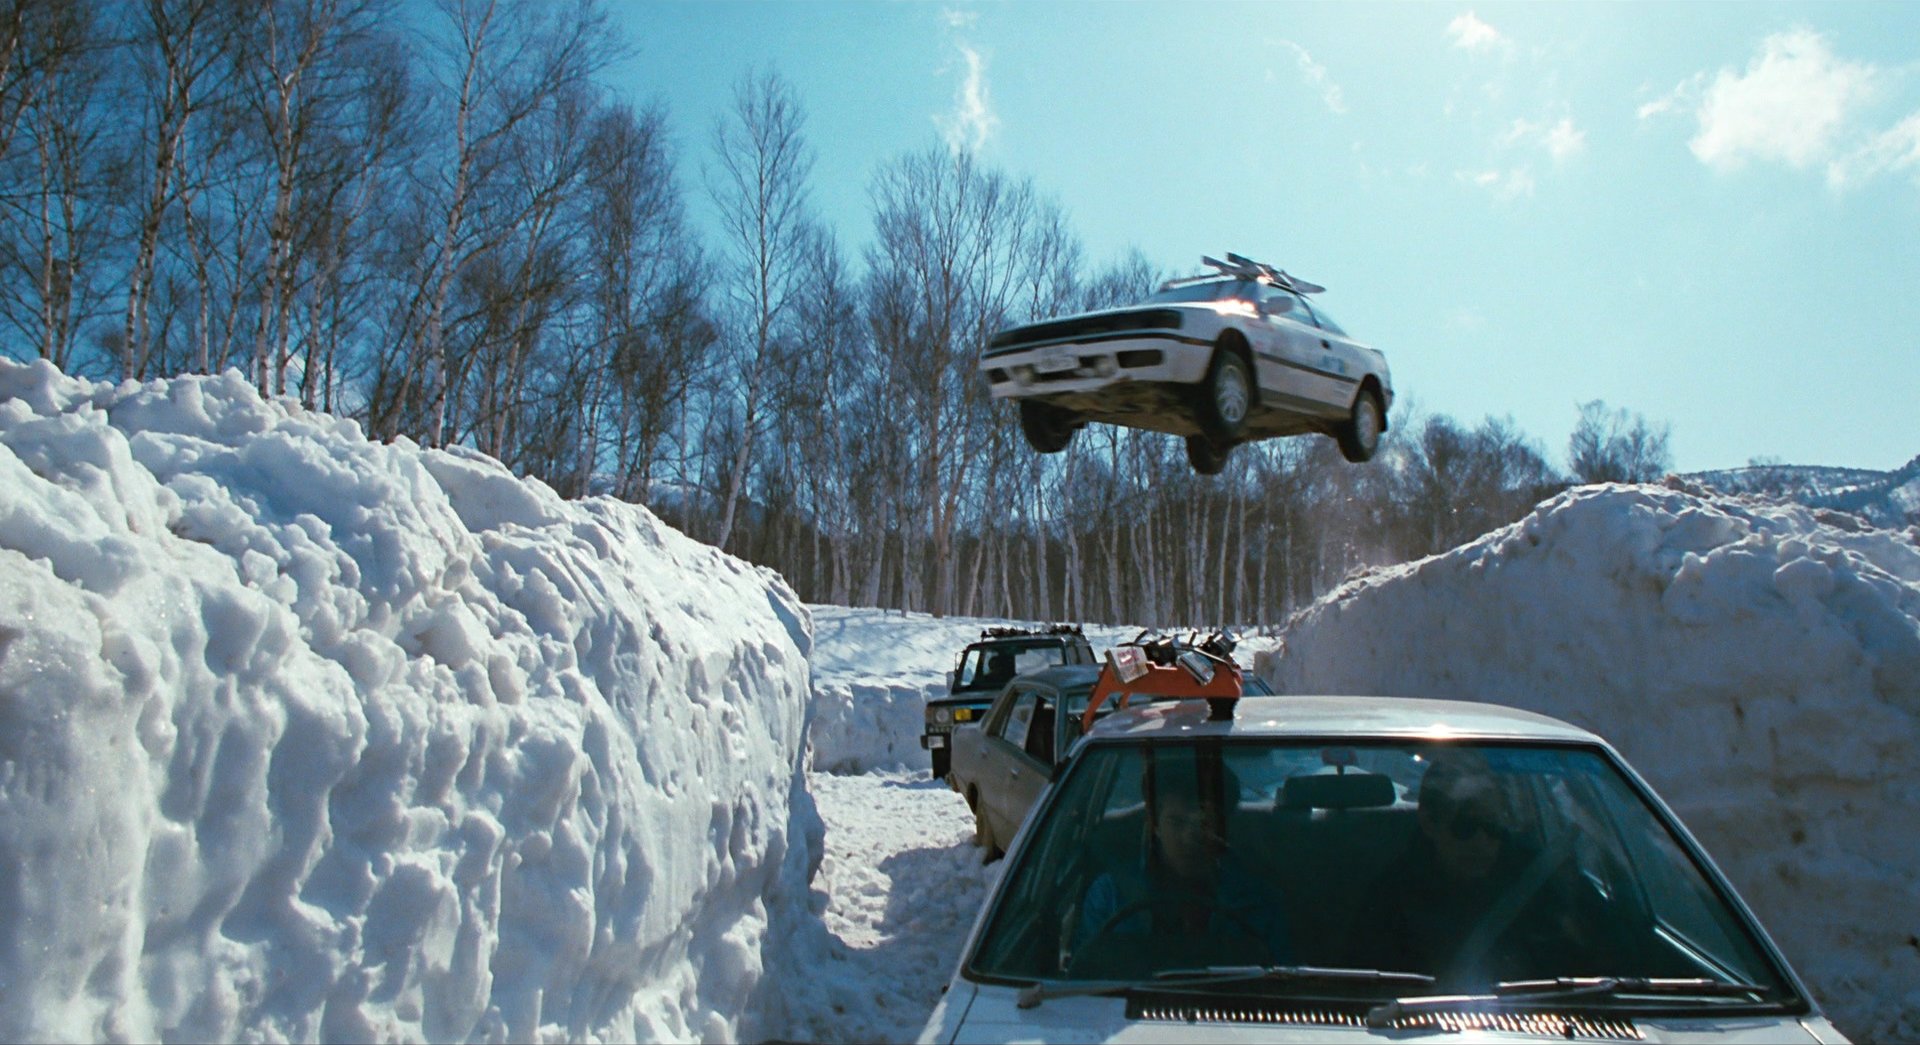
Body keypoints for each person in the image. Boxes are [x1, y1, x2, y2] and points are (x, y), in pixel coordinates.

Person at [1358, 748, 1599, 987]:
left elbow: (1596, 967)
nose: (1481, 841)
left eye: (1492, 826)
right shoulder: (1391, 899)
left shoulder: (1543, 885)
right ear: (1429, 822)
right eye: (1466, 825)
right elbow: (1367, 988)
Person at [1069, 752, 1291, 974]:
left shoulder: (1258, 901)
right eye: (1176, 822)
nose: (1188, 838)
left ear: (1222, 828)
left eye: (1204, 824)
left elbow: (1282, 980)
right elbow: (1085, 976)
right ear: (1155, 825)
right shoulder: (1109, 895)